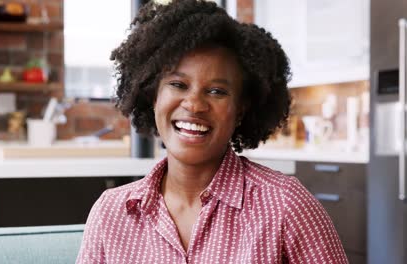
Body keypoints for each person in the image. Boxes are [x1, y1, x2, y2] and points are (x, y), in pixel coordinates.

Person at [76, 0, 348, 263]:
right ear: (152, 95)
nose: (194, 104)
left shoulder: (286, 206)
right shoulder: (111, 213)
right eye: (178, 84)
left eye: (217, 91)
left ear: (241, 108)